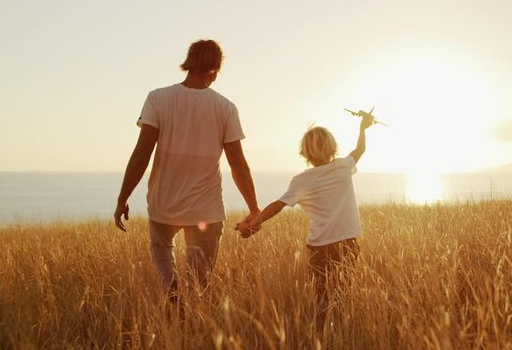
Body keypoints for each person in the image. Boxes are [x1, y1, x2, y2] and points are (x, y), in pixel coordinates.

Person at [114, 39, 260, 299]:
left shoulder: (157, 98)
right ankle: (191, 322)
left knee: (162, 254)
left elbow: (141, 156)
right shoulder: (225, 108)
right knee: (200, 288)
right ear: (215, 69)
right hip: (206, 210)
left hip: (163, 204)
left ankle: (172, 296)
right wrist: (253, 208)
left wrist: (122, 198)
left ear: (189, 64)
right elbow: (238, 164)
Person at [236, 111, 375, 327]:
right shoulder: (343, 167)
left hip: (319, 247)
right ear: (333, 147)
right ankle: (339, 332)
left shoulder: (301, 180)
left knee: (322, 299)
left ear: (305, 153)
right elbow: (360, 149)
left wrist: (254, 224)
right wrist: (363, 128)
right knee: (342, 295)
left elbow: (278, 205)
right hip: (348, 245)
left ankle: (323, 333)